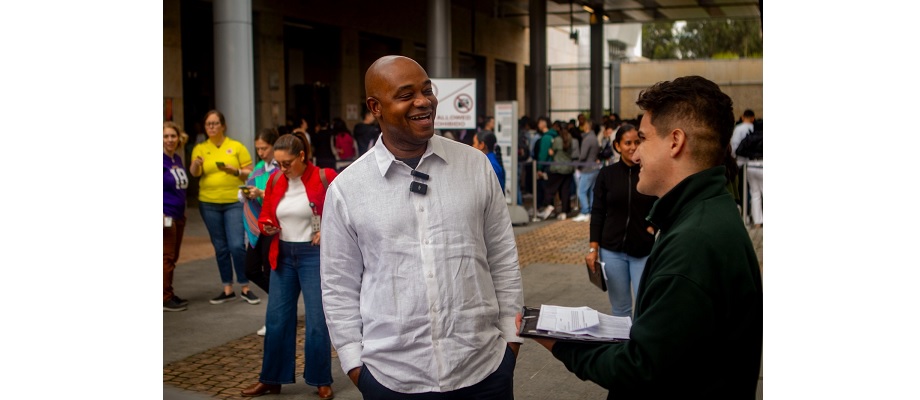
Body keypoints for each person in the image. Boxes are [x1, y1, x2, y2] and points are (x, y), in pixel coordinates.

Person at [523, 76, 763, 398]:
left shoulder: (694, 243)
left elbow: (641, 367)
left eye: (644, 139)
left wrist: (561, 344)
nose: (637, 156)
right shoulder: (704, 215)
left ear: (675, 142)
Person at [320, 55, 524, 399]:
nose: (423, 102)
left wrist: (511, 342)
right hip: (392, 379)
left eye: (427, 90)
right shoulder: (347, 189)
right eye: (406, 94)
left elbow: (503, 258)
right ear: (375, 107)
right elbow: (338, 286)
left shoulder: (475, 166)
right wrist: (356, 365)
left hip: (485, 370)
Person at [241, 131, 337, 400]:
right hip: (282, 254)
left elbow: (345, 212)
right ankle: (271, 379)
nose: (282, 169)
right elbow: (265, 214)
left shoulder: (324, 177)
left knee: (317, 321)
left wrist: (327, 230)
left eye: (287, 163)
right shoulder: (274, 180)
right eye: (279, 163)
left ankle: (320, 379)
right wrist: (267, 226)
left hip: (313, 255)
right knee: (277, 320)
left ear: (302, 157)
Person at [584, 123, 657, 317]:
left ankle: (641, 346)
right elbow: (597, 211)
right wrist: (593, 249)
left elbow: (663, 201)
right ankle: (622, 347)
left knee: (644, 307)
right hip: (612, 251)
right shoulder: (607, 175)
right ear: (617, 146)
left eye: (637, 142)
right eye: (627, 143)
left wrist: (653, 227)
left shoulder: (650, 172)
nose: (633, 147)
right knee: (621, 309)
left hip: (643, 251)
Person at [189, 110, 259, 305]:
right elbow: (194, 173)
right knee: (220, 247)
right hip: (208, 202)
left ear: (223, 125)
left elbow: (250, 172)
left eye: (215, 123)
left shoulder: (236, 146)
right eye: (208, 124)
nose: (211, 127)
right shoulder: (200, 148)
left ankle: (245, 286)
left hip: (233, 202)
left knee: (236, 245)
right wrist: (195, 164)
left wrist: (235, 170)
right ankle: (227, 288)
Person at [240, 128, 280, 335]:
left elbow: (282, 195)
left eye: (264, 148)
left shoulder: (280, 167)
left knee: (269, 271)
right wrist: (246, 193)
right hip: (258, 226)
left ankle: (276, 313)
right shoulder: (259, 168)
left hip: (274, 226)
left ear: (274, 146)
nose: (261, 152)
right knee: (250, 269)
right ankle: (282, 300)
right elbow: (248, 186)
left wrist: (261, 193)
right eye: (258, 149)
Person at [164, 121, 190, 312]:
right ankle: (165, 297)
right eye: (165, 136)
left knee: (173, 257)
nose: (169, 140)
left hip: (179, 215)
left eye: (173, 136)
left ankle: (168, 292)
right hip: (166, 215)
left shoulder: (177, 159)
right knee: (166, 257)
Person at [730, 109, 763, 227]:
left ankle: (757, 221)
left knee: (754, 193)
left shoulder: (748, 135)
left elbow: (737, 149)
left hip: (749, 165)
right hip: (762, 165)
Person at [538, 121, 574, 220]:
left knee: (550, 188)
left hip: (557, 168)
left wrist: (551, 153)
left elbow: (552, 152)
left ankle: (549, 205)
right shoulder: (571, 139)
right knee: (565, 191)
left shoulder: (557, 140)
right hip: (569, 168)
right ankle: (564, 211)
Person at [572, 122, 600, 222]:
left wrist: (577, 166)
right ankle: (591, 212)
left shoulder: (587, 139)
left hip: (587, 169)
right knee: (592, 192)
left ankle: (585, 211)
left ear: (587, 126)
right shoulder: (594, 138)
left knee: (581, 191)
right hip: (594, 168)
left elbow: (583, 156)